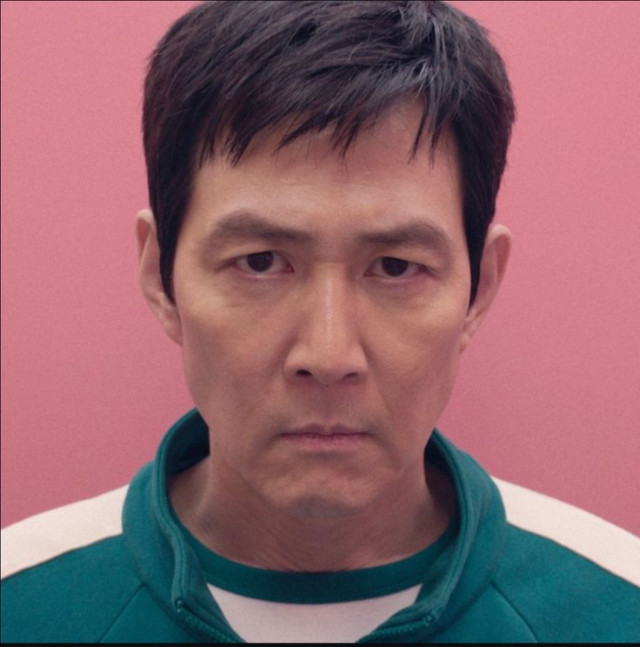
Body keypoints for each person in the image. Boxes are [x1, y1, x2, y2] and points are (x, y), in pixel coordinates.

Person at [1, 0, 638, 642]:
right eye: (259, 262)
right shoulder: (21, 606)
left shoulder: (617, 609)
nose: (329, 356)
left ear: (480, 288)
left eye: (395, 267)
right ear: (160, 276)